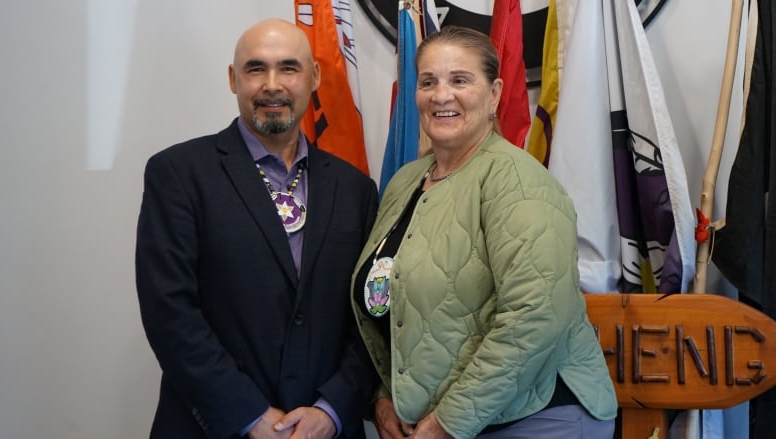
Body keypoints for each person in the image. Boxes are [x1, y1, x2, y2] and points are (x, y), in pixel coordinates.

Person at [351, 26, 618, 439]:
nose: (441, 95)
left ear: (494, 94)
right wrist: (384, 395)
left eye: (460, 80)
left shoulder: (518, 181)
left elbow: (535, 317)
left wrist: (448, 422)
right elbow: (399, 303)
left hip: (538, 417)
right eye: (428, 82)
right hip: (449, 420)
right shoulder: (405, 182)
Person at [135, 18, 379, 439]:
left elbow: (368, 313)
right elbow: (170, 313)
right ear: (233, 79)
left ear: (314, 77)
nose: (272, 84)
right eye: (255, 69)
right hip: (213, 427)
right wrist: (249, 415)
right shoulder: (177, 174)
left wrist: (332, 409)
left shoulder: (356, 188)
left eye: (289, 68)